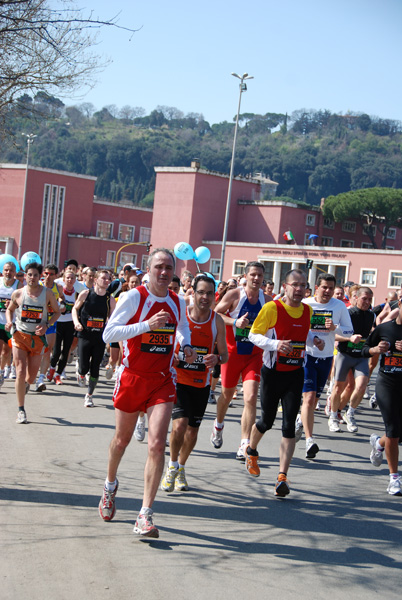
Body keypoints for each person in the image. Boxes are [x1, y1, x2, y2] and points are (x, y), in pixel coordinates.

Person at [99, 248, 196, 539]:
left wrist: (186, 347)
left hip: (162, 381)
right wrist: (146, 326)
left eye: (169, 267)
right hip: (131, 378)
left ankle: (145, 514)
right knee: (122, 440)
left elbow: (182, 330)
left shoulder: (178, 302)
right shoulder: (134, 297)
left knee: (156, 445)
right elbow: (108, 334)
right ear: (148, 269)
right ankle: (109, 486)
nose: (164, 272)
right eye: (158, 267)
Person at [244, 269, 324, 495]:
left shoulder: (308, 310)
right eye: (294, 285)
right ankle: (251, 450)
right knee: (266, 421)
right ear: (284, 287)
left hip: (295, 372)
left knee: (289, 425)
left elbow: (305, 333)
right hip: (273, 372)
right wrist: (275, 344)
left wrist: (314, 340)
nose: (299, 289)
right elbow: (253, 334)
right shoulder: (272, 308)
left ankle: (282, 477)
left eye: (302, 285)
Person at [161, 275, 228, 492]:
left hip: (201, 383)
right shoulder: (182, 316)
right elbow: (167, 344)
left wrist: (215, 358)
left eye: (210, 293)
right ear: (193, 293)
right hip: (178, 380)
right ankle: (171, 467)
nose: (205, 297)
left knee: (192, 432)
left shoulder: (216, 321)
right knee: (179, 425)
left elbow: (225, 355)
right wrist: (175, 357)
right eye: (201, 292)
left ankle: (181, 467)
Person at [211, 261, 272, 460]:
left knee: (250, 397)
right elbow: (217, 313)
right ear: (245, 276)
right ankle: (218, 424)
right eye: (253, 274)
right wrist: (235, 321)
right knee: (227, 395)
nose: (256, 279)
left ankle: (244, 443)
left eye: (260, 276)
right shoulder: (235, 295)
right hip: (232, 354)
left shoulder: (268, 300)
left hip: (254, 356)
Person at [296, 273, 354, 458]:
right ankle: (309, 441)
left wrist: (333, 328)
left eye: (331, 287)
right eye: (324, 287)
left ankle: (300, 419)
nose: (328, 291)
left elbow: (349, 330)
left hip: (327, 356)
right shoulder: (306, 304)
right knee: (309, 397)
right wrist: (311, 340)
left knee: (313, 401)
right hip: (307, 355)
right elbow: (297, 326)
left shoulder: (339, 306)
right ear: (316, 288)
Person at [5, 263, 60, 423]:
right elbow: (10, 309)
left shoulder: (47, 293)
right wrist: (9, 322)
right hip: (20, 336)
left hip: (37, 339)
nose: (32, 278)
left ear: (40, 276)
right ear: (25, 275)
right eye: (29, 274)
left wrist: (46, 325)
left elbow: (57, 312)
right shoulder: (18, 293)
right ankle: (21, 410)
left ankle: (27, 385)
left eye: (35, 275)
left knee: (31, 377)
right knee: (20, 371)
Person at [362, 300, 402, 495]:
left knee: (397, 432)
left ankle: (378, 443)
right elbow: (364, 349)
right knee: (393, 431)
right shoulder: (385, 328)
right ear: (399, 305)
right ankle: (394, 478)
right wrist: (376, 350)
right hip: (388, 383)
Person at [328, 286, 376, 433]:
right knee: (339, 388)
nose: (367, 302)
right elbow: (333, 335)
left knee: (361, 386)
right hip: (345, 355)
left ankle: (350, 413)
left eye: (369, 299)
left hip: (360, 356)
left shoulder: (371, 316)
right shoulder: (347, 313)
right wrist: (349, 338)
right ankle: (333, 417)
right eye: (364, 299)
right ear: (356, 298)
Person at [72, 270, 116, 406]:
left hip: (100, 337)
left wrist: (110, 325)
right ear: (96, 279)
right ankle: (80, 371)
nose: (106, 281)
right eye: (103, 278)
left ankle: (89, 395)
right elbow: (75, 309)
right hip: (85, 334)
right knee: (84, 367)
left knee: (95, 366)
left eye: (108, 279)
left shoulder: (110, 298)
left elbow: (113, 316)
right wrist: (77, 323)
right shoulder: (86, 294)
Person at [36, 264, 65, 391]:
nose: (48, 276)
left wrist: (61, 304)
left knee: (47, 350)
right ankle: (31, 374)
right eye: (46, 273)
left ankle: (41, 378)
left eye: (51, 274)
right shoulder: (38, 285)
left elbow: (62, 298)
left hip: (51, 323)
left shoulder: (58, 287)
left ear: (56, 275)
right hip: (36, 322)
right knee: (34, 351)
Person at [48, 270, 77, 384]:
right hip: (58, 323)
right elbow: (58, 300)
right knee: (56, 351)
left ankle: (58, 374)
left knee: (66, 351)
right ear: (64, 279)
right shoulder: (60, 291)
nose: (70, 280)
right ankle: (51, 368)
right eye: (67, 278)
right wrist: (61, 304)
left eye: (72, 278)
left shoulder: (77, 293)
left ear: (75, 280)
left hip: (70, 324)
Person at [0, 261, 23, 385]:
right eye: (6, 270)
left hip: (12, 323)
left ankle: (4, 369)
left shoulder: (18, 285)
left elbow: (24, 304)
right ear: (2, 271)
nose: (8, 273)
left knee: (6, 351)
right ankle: (1, 371)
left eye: (11, 270)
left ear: (15, 272)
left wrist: (13, 305)